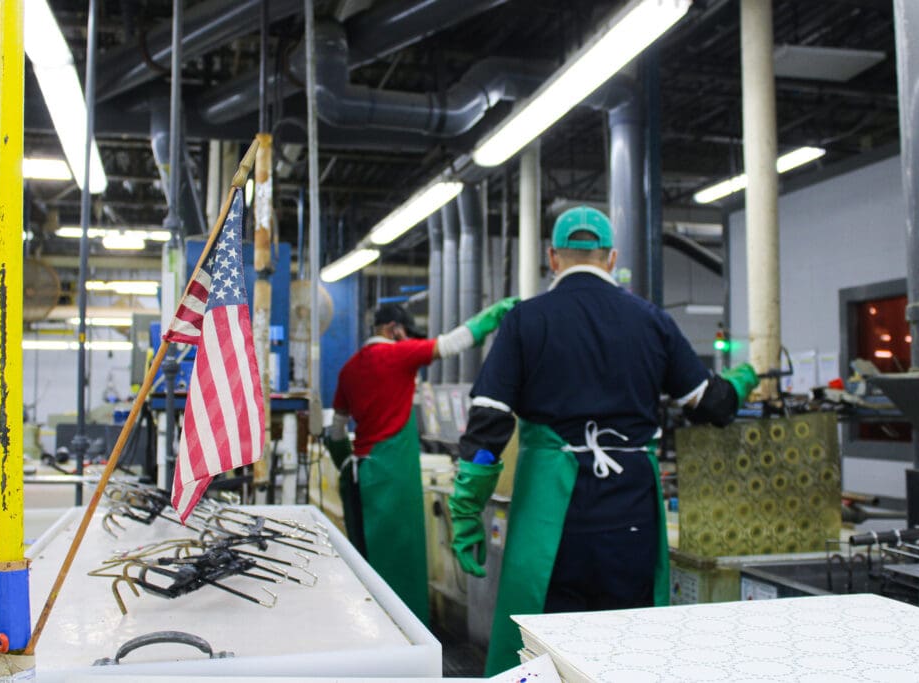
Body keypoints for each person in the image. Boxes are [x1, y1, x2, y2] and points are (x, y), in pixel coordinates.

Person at [448, 205, 759, 674]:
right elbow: (713, 405)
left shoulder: (524, 321)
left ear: (553, 259)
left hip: (550, 516)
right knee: (625, 648)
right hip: (630, 513)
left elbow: (488, 425)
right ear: (612, 259)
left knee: (542, 650)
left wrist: (467, 512)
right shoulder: (653, 322)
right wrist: (742, 378)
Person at [325, 298, 518, 624]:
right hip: (394, 478)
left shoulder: (349, 369)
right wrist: (493, 316)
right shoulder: (398, 354)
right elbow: (453, 343)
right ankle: (408, 641)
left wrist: (347, 465)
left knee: (367, 561)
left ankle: (370, 630)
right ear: (393, 329)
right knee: (402, 563)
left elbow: (335, 430)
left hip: (361, 477)